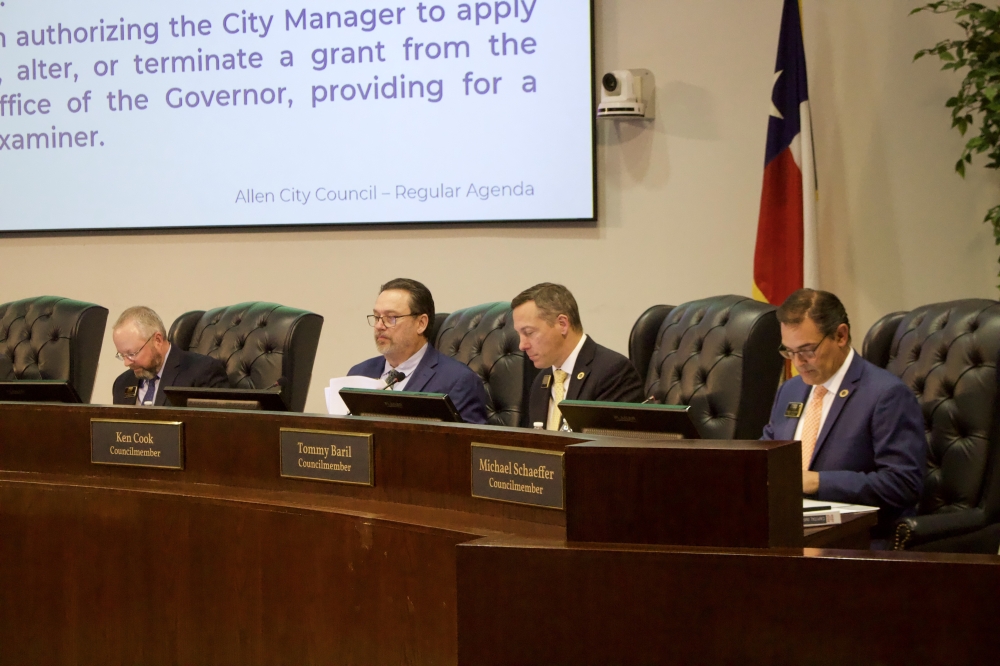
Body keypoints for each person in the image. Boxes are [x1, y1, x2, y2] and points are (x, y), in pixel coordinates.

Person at [761, 289, 926, 534]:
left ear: (840, 335)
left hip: (854, 541)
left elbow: (902, 484)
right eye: (789, 351)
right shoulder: (790, 390)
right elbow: (765, 458)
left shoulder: (885, 394)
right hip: (787, 529)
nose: (797, 363)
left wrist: (816, 482)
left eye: (807, 350)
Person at [348, 278, 489, 424]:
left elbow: (468, 444)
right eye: (377, 317)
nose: (379, 325)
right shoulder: (359, 373)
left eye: (391, 318)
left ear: (421, 324)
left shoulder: (458, 381)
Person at [512, 283, 644, 430]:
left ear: (562, 324)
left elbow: (612, 448)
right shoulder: (541, 381)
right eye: (519, 334)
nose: (522, 345)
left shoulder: (613, 373)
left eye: (529, 333)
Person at [112, 306, 230, 406]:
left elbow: (216, 428)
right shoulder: (122, 383)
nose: (126, 363)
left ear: (157, 340)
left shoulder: (202, 372)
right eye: (122, 355)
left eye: (132, 354)